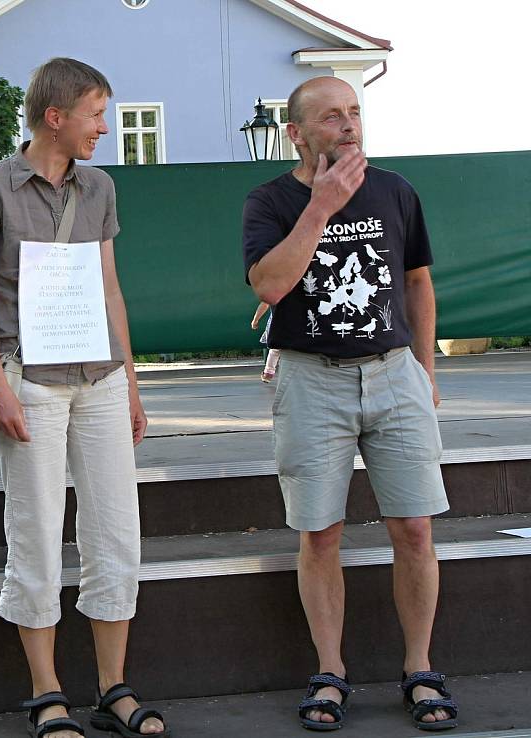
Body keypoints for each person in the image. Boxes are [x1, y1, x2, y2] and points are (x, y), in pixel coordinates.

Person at [0, 58, 168, 738]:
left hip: (100, 379)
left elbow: (110, 290)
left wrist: (131, 381)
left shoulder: (99, 187)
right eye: (96, 115)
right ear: (56, 117)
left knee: (115, 532)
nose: (104, 128)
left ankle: (114, 686)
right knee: (36, 534)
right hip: (30, 383)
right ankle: (46, 693)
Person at [242, 77, 458, 732]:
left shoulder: (396, 191)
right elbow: (270, 284)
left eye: (355, 112)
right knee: (320, 532)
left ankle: (419, 668)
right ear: (297, 133)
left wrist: (423, 368)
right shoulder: (270, 201)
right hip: (312, 381)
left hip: (394, 375)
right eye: (332, 116)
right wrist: (322, 207)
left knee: (415, 528)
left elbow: (418, 282)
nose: (349, 124)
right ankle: (330, 670)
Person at [250, 301, 280, 382]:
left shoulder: (274, 291)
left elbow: (265, 303)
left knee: (275, 350)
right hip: (293, 323)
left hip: (277, 323)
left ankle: (268, 373)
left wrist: (255, 320)